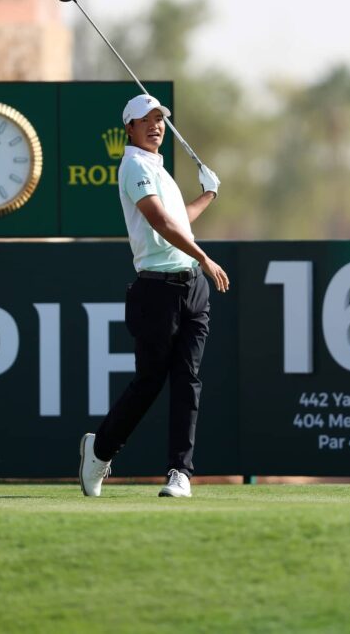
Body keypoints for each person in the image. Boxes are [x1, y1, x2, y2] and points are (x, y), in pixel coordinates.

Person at [79, 93, 229, 498]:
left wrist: (208, 195)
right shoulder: (133, 166)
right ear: (128, 127)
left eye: (160, 119)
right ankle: (99, 449)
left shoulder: (159, 169)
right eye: (146, 120)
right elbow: (160, 221)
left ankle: (179, 472)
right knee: (149, 382)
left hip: (192, 287)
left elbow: (180, 218)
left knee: (188, 379)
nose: (156, 125)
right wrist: (204, 255)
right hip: (156, 290)